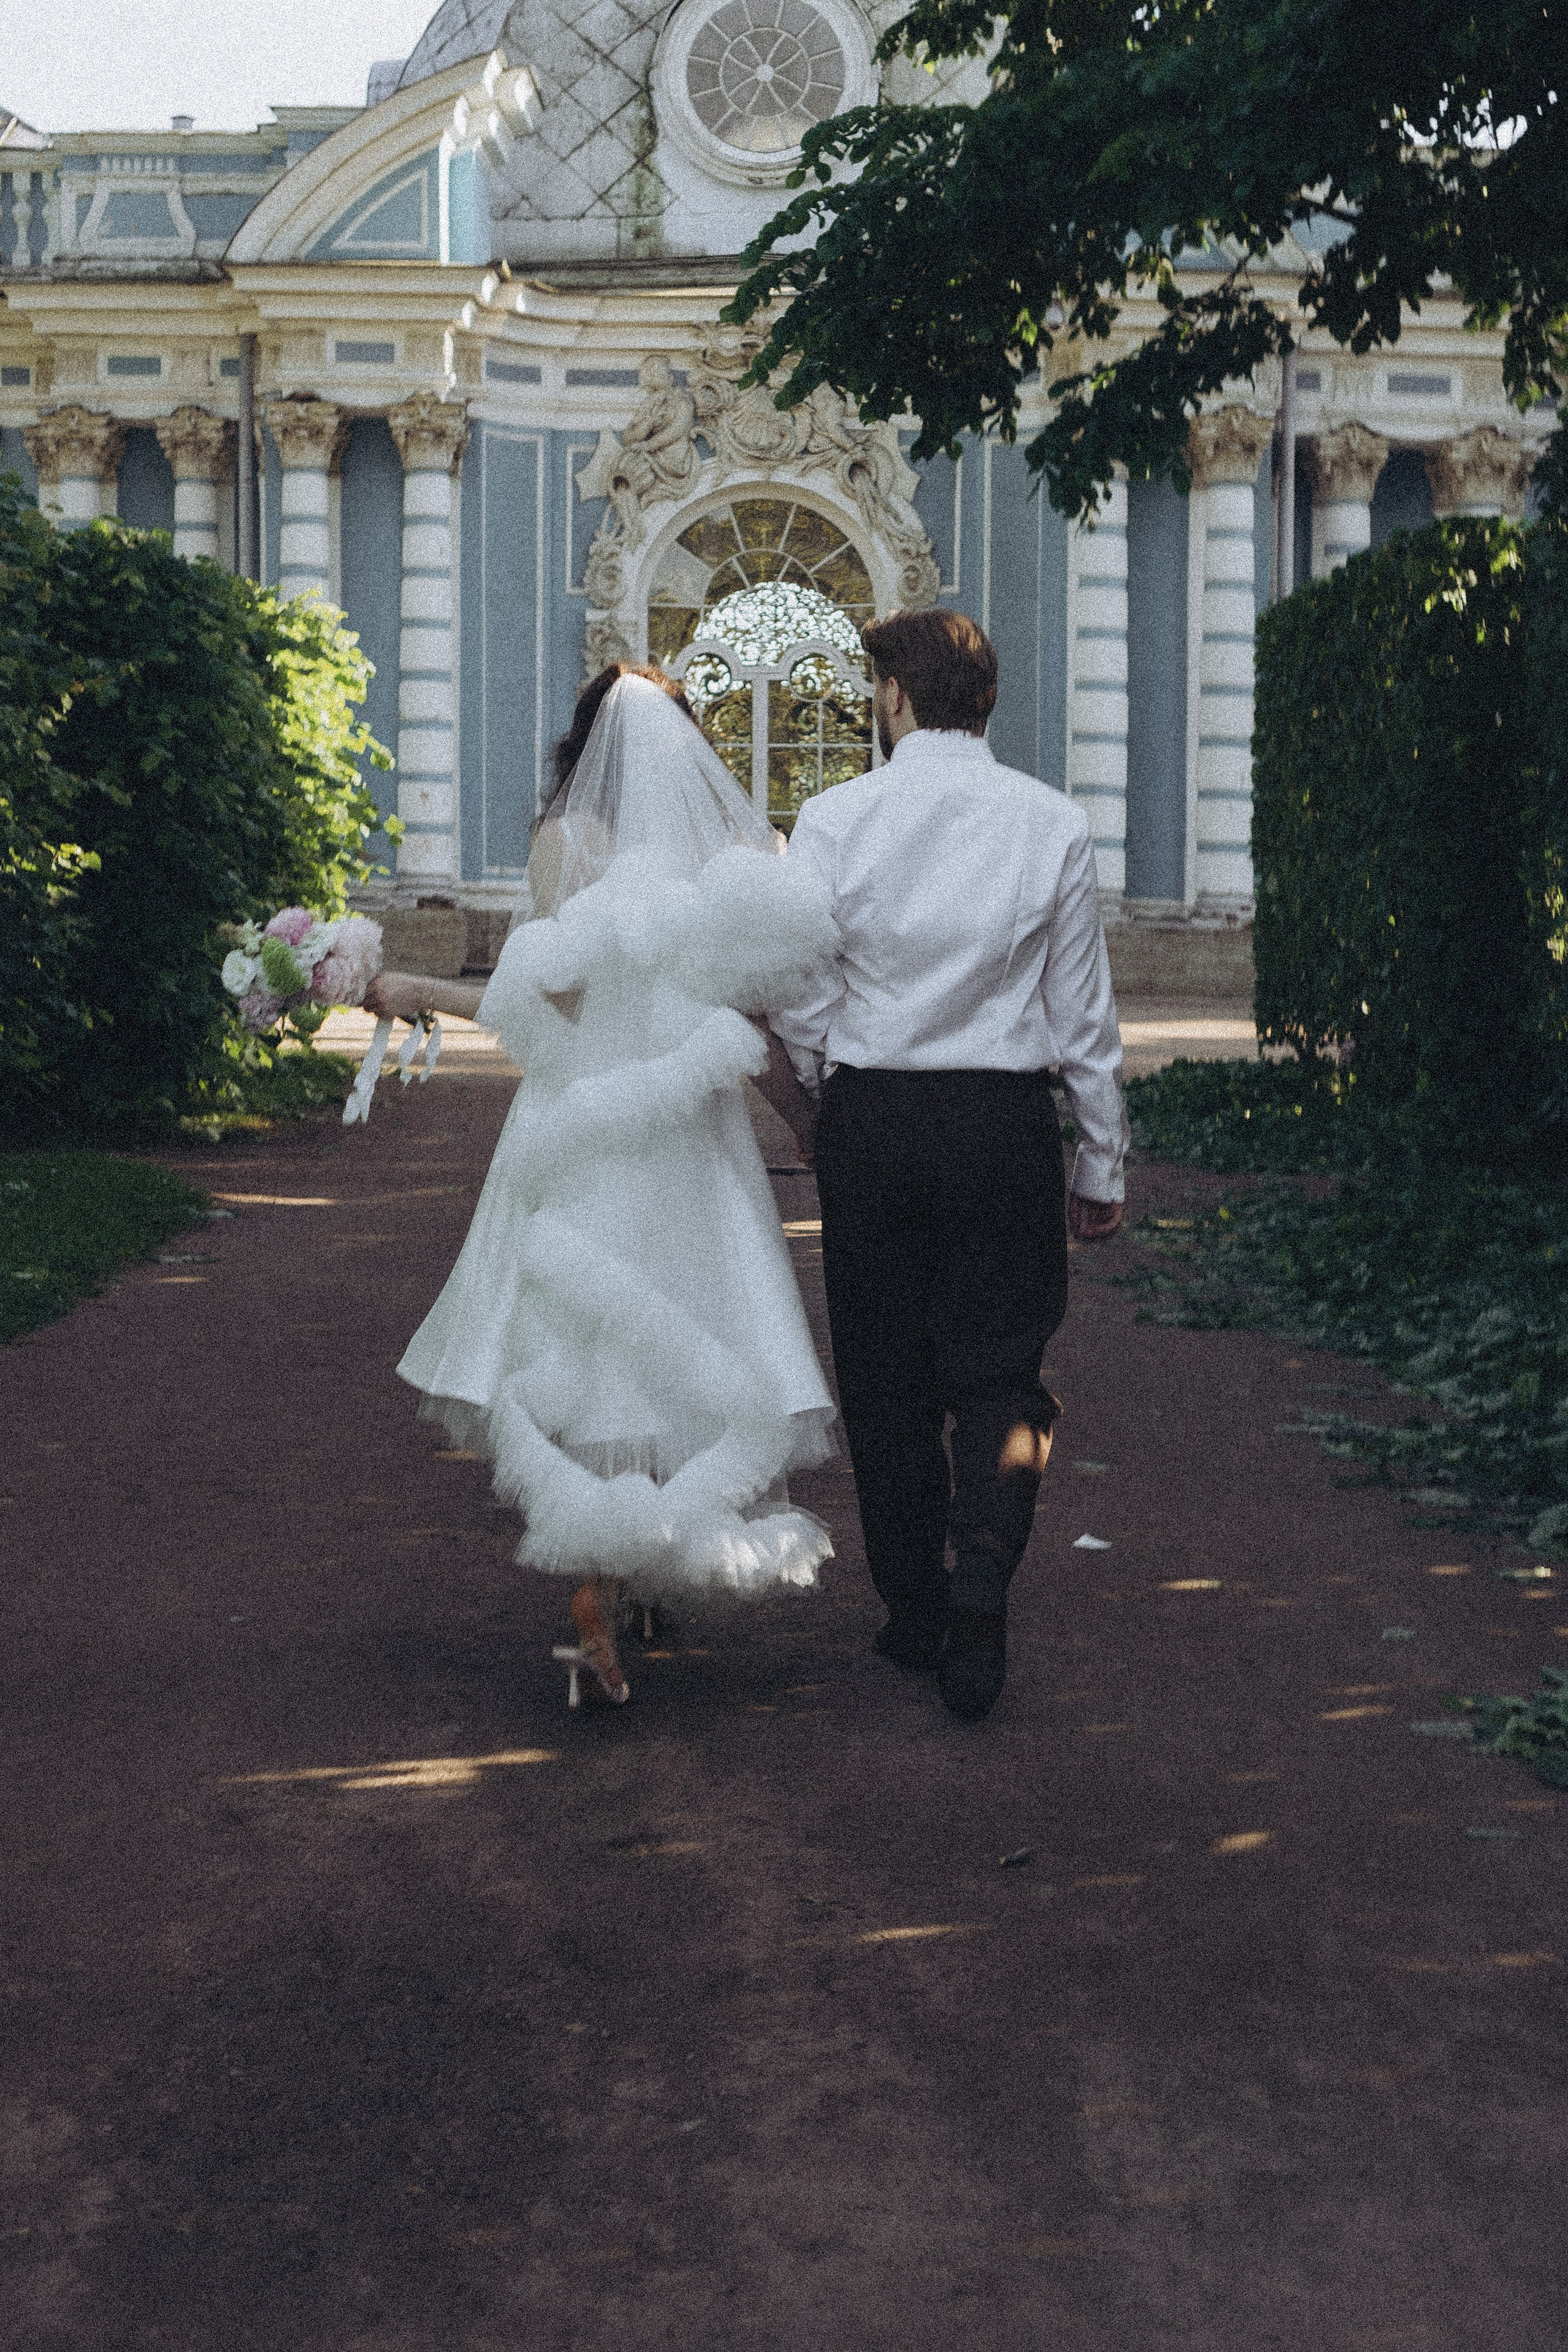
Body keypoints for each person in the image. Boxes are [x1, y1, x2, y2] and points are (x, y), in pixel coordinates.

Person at [374, 665, 835, 1706]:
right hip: (687, 1129)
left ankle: (600, 1573)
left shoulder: (567, 846)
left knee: (587, 1340)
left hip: (577, 1126)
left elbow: (546, 1004)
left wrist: (417, 991)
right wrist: (808, 1125)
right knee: (689, 1325)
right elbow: (754, 1029)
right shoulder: (720, 858)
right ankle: (644, 1565)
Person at [771, 607, 1128, 1724]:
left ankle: (917, 1612)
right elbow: (1082, 1017)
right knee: (1000, 1369)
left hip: (875, 1118)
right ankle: (983, 1577)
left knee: (884, 1379)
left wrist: (834, 1091)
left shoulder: (833, 818)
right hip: (1000, 1127)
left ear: (894, 698)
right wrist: (1102, 1161)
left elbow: (802, 990)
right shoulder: (1051, 823)